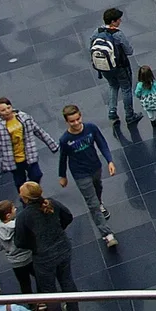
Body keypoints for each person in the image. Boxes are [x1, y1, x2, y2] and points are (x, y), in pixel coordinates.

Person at [14, 182, 77, 311]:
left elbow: (19, 242)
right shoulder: (52, 203)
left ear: (26, 198)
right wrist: (59, 231)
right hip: (63, 248)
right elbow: (68, 216)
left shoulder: (24, 217)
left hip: (43, 257)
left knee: (49, 290)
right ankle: (74, 310)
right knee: (67, 279)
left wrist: (34, 245)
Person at [56, 105, 116, 249]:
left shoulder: (91, 128)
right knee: (92, 204)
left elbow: (102, 144)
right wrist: (62, 175)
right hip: (80, 174)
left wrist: (110, 161)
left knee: (98, 188)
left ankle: (99, 202)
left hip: (95, 167)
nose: (76, 123)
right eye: (72, 121)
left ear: (81, 116)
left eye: (78, 119)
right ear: (67, 122)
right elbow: (62, 158)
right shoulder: (65, 139)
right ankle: (107, 234)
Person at [0, 100, 56, 190]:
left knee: (37, 175)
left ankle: (32, 192)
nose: (7, 111)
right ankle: (25, 196)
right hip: (13, 160)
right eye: (3, 110)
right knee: (20, 182)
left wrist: (52, 145)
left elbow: (38, 131)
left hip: (29, 155)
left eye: (8, 108)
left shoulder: (24, 118)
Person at [88, 8, 140, 126]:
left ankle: (112, 112)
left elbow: (91, 45)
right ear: (112, 22)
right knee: (126, 89)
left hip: (104, 67)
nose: (120, 21)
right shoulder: (118, 34)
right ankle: (129, 115)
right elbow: (129, 51)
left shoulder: (97, 31)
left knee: (112, 86)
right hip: (120, 67)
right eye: (118, 20)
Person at [0, 201, 33, 296]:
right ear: (8, 215)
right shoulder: (20, 224)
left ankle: (32, 305)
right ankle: (43, 300)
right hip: (29, 257)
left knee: (24, 284)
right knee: (40, 278)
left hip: (16, 263)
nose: (16, 209)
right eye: (14, 208)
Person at [134, 65, 156, 136]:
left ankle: (152, 121)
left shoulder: (139, 85)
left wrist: (139, 96)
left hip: (146, 101)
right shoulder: (153, 82)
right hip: (154, 99)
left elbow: (137, 93)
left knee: (149, 111)